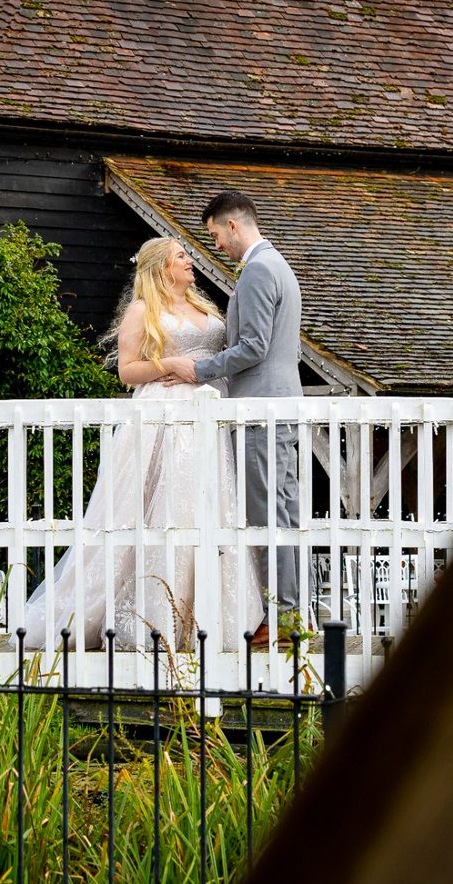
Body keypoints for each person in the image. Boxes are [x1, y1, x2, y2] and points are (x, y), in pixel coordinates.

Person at [18, 237, 262, 651]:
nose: (191, 262)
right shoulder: (141, 310)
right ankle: (152, 615)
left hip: (207, 416)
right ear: (160, 267)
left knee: (209, 506)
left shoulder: (204, 307)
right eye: (181, 257)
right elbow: (128, 371)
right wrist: (167, 364)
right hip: (161, 416)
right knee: (164, 507)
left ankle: (206, 617)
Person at [162, 190, 303, 647]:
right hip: (278, 402)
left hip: (263, 407)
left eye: (216, 235)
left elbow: (256, 346)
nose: (216, 245)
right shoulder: (276, 264)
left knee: (267, 514)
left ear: (234, 226)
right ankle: (292, 613)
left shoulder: (260, 270)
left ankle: (282, 618)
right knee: (282, 509)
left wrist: (199, 369)